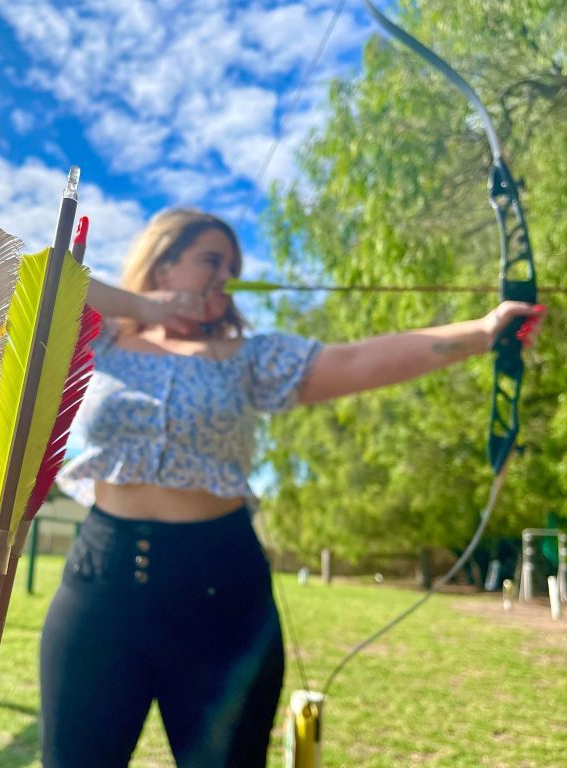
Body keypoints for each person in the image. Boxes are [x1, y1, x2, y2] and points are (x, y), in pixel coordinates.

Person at [40, 208, 545, 768]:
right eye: (211, 260)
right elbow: (44, 276)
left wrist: (483, 332)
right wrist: (147, 308)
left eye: (232, 268)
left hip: (222, 591)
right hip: (101, 586)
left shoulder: (250, 357)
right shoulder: (102, 339)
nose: (225, 277)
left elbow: (357, 359)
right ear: (163, 263)